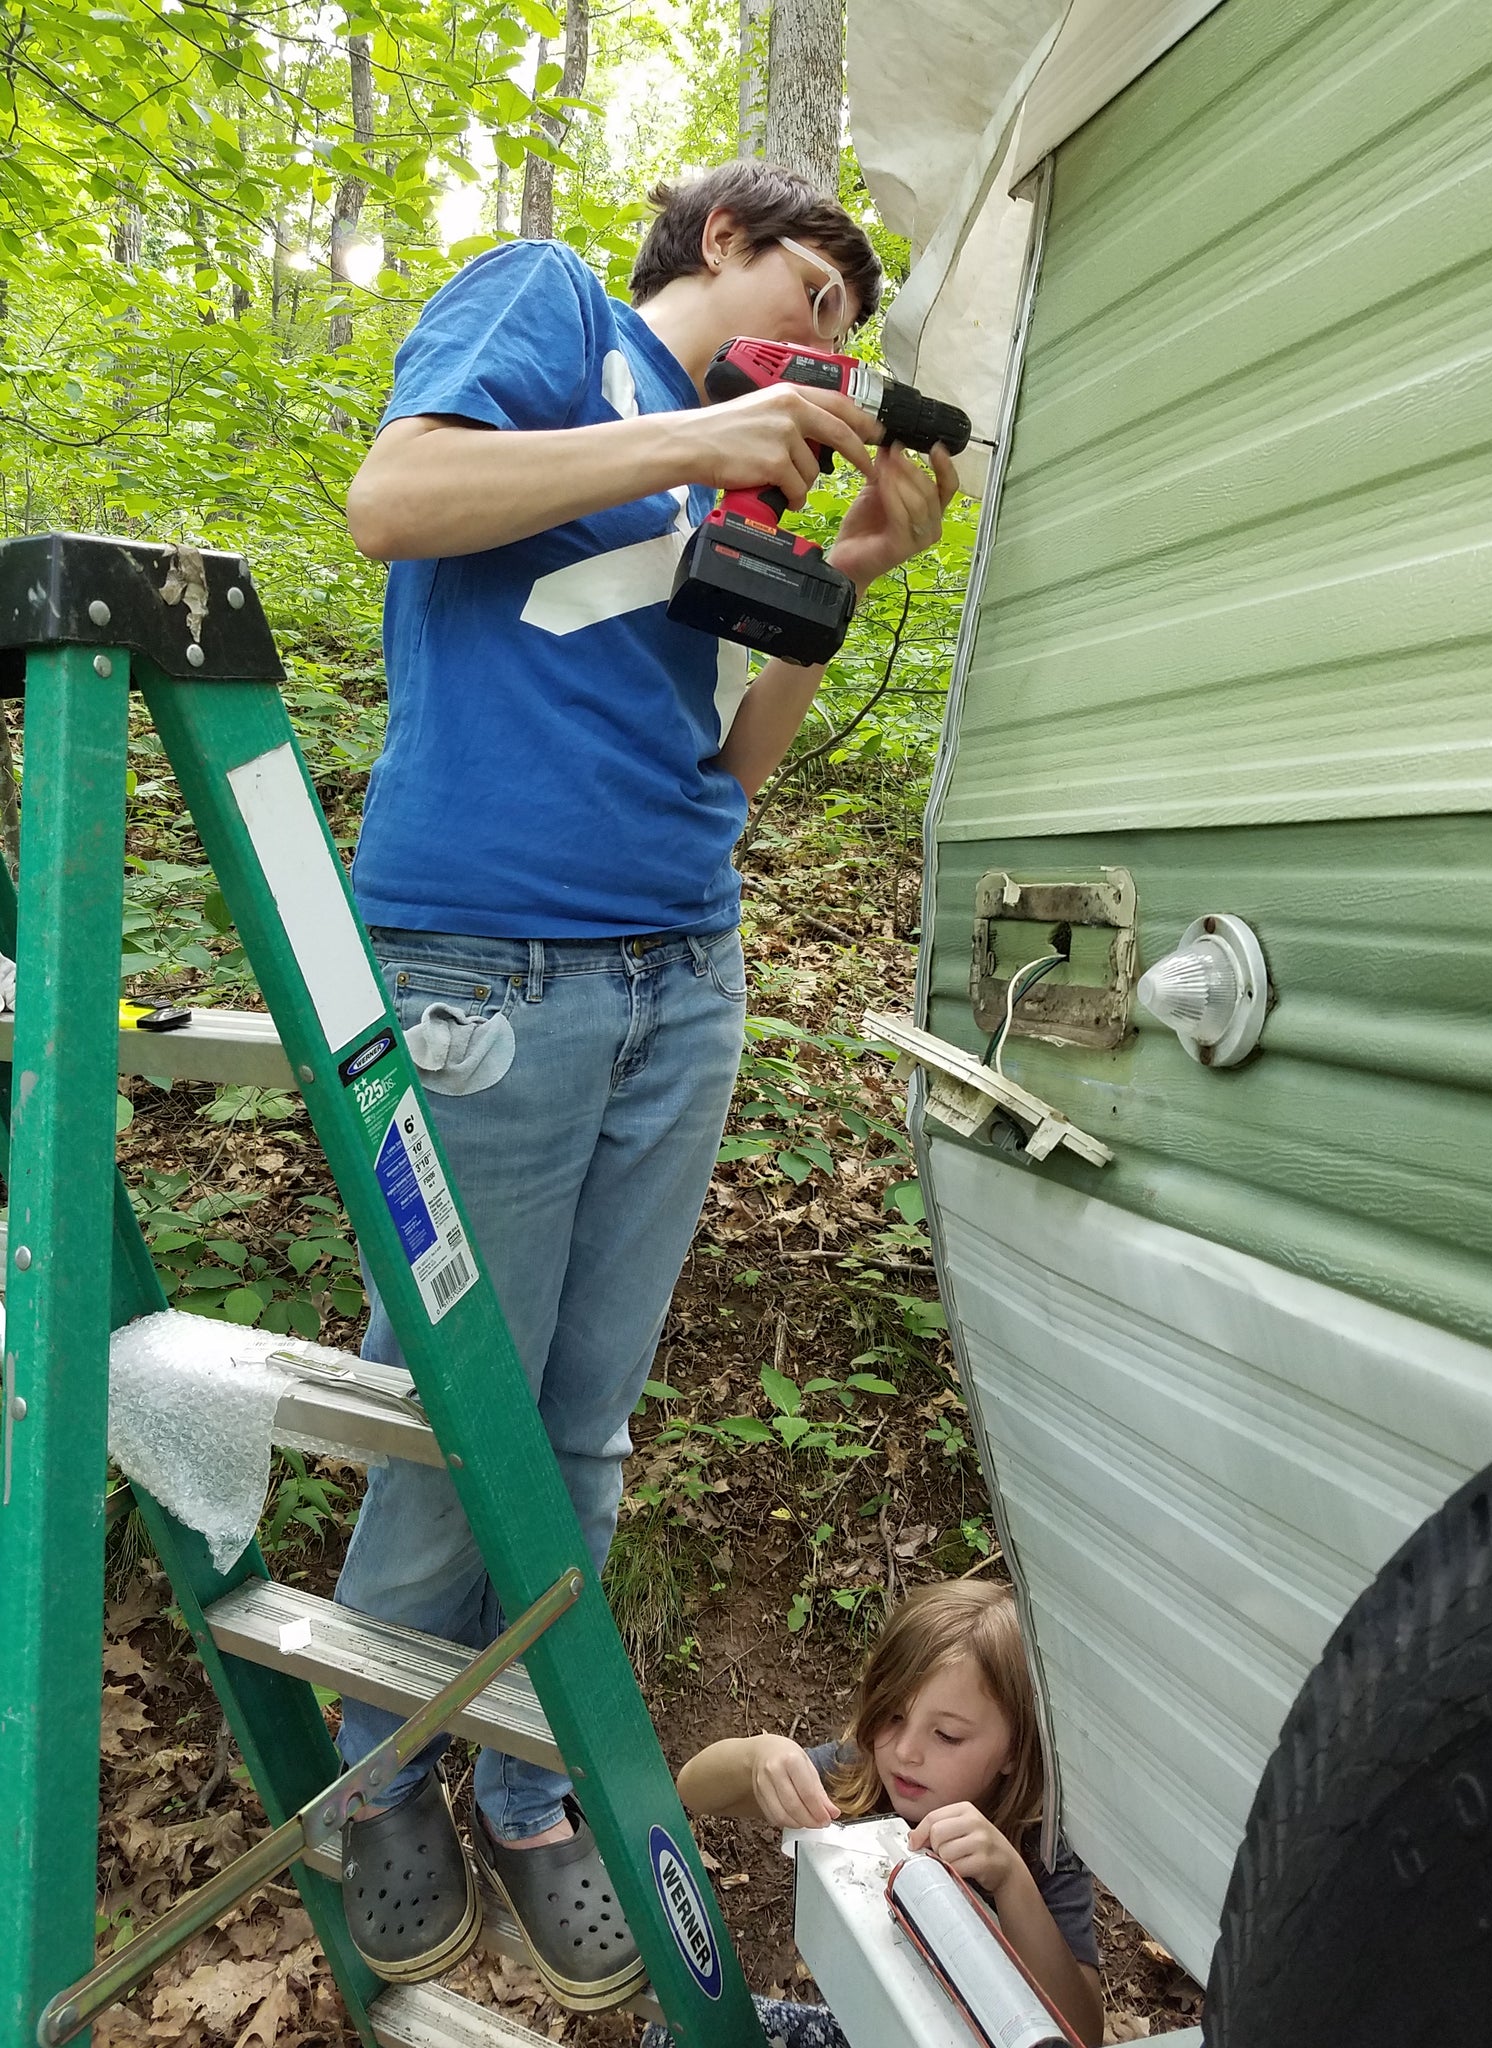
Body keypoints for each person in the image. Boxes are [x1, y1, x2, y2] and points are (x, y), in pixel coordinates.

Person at [327, 157, 959, 2002]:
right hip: (485, 966)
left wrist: (832, 569)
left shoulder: (742, 476)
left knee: (586, 1421)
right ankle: (379, 1769)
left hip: (682, 967)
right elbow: (395, 499)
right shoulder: (559, 314)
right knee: (455, 1401)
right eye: (817, 297)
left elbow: (727, 761)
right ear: (714, 245)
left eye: (854, 332)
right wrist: (700, 438)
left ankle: (528, 1776)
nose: (833, 343)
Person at [658, 1581, 1105, 2048]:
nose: (907, 1752)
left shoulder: (1041, 1844)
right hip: (868, 2029)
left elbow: (1084, 2034)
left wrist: (1012, 1882)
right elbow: (694, 1790)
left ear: (1014, 1750)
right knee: (678, 2035)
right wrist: (757, 1759)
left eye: (947, 1735)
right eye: (892, 1716)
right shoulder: (864, 1775)